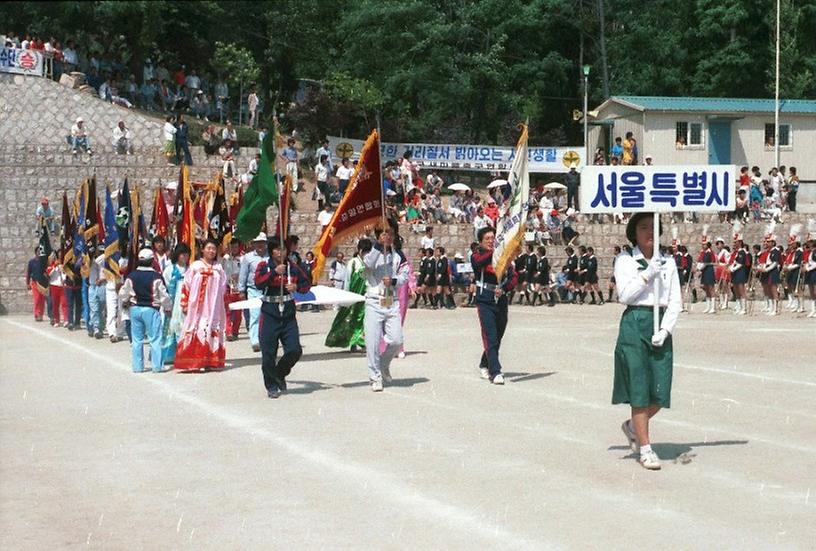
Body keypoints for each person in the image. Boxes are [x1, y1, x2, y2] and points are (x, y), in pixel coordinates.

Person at [613, 212, 681, 471]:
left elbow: (675, 300)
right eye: (643, 227)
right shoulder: (626, 260)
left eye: (653, 227)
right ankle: (645, 448)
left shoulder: (669, 262)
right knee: (639, 388)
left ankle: (631, 427)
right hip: (635, 322)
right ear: (634, 233)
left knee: (661, 392)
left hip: (659, 323)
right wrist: (647, 274)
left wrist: (665, 329)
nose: (648, 232)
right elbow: (625, 295)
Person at [255, 237, 311, 398]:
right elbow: (258, 283)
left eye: (284, 249)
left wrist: (296, 287)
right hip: (270, 312)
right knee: (268, 353)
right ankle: (271, 384)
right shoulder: (264, 266)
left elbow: (307, 283)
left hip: (287, 312)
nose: (281, 253)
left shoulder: (293, 267)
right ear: (271, 251)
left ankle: (279, 373)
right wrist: (274, 273)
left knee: (294, 349)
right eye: (277, 249)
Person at [362, 227, 409, 391]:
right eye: (384, 234)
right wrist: (377, 246)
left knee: (396, 340)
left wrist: (394, 281)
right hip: (374, 301)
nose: (387, 237)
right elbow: (367, 265)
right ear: (378, 236)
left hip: (390, 300)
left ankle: (383, 364)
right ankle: (374, 376)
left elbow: (405, 275)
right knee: (373, 342)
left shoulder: (399, 255)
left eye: (390, 234)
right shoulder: (371, 251)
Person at [471, 226, 518, 384]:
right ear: (481, 242)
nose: (491, 241)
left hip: (501, 300)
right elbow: (478, 264)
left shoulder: (504, 257)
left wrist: (504, 288)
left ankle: (485, 363)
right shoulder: (477, 255)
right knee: (490, 336)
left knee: (498, 336)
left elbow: (513, 277)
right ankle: (495, 371)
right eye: (487, 239)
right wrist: (497, 250)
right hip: (485, 301)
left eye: (493, 238)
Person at [175, 239, 228, 371]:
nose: (211, 251)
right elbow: (186, 285)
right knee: (196, 328)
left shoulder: (219, 268)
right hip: (197, 307)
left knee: (212, 329)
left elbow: (223, 288)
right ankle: (194, 362)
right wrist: (185, 303)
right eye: (208, 248)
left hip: (214, 307)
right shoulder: (195, 266)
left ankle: (210, 361)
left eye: (214, 249)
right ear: (202, 250)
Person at [119, 248, 172, 373]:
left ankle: (137, 367)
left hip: (135, 309)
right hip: (151, 309)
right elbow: (164, 295)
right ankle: (157, 366)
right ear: (152, 261)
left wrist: (127, 300)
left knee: (137, 340)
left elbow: (123, 293)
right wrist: (168, 308)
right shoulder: (156, 276)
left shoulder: (131, 276)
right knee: (155, 339)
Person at [326, 240, 368, 352]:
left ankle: (359, 341)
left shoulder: (369, 263)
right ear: (360, 251)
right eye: (365, 252)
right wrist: (346, 296)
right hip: (353, 296)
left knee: (362, 319)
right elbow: (348, 280)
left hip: (365, 297)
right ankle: (354, 342)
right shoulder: (353, 263)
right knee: (351, 319)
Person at [238, 233, 268, 352]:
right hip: (253, 290)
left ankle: (265, 339)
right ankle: (255, 340)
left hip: (267, 290)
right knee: (255, 315)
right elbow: (243, 274)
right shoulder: (248, 257)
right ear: (253, 244)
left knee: (266, 316)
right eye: (257, 242)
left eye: (262, 242)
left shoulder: (270, 257)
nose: (260, 245)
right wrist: (241, 290)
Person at [161, 243, 190, 365]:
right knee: (171, 328)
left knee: (186, 327)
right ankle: (169, 355)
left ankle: (185, 354)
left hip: (187, 301)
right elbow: (164, 287)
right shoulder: (169, 269)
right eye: (182, 254)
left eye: (187, 254)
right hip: (174, 302)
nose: (184, 257)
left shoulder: (191, 269)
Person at [26, 247, 49, 322]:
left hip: (43, 283)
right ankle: (37, 314)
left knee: (42, 299)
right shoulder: (31, 262)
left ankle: (41, 314)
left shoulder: (44, 262)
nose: (39, 253)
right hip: (35, 283)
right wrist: (27, 283)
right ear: (35, 252)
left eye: (41, 252)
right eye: (38, 251)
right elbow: (28, 273)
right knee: (37, 298)